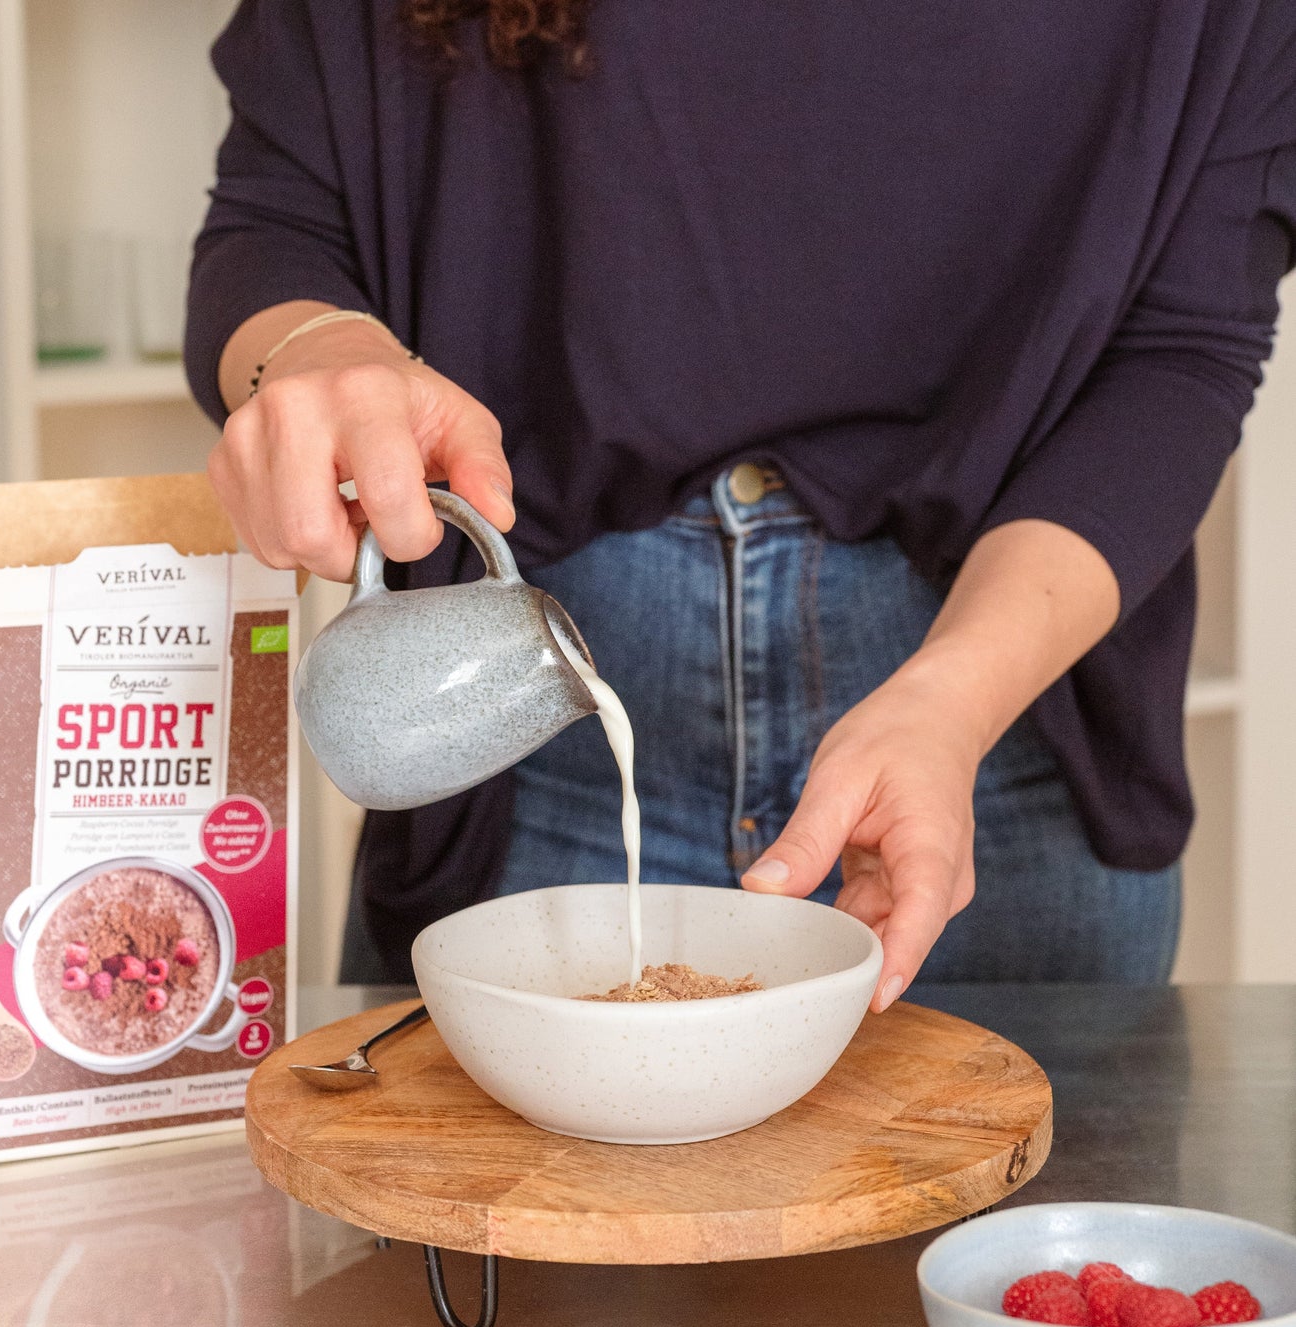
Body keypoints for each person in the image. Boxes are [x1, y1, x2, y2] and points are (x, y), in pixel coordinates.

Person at [187, 0, 1296, 1005]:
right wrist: (315, 352)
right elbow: (275, 221)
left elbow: (1180, 351)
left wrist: (955, 700)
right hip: (522, 751)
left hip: (996, 747)